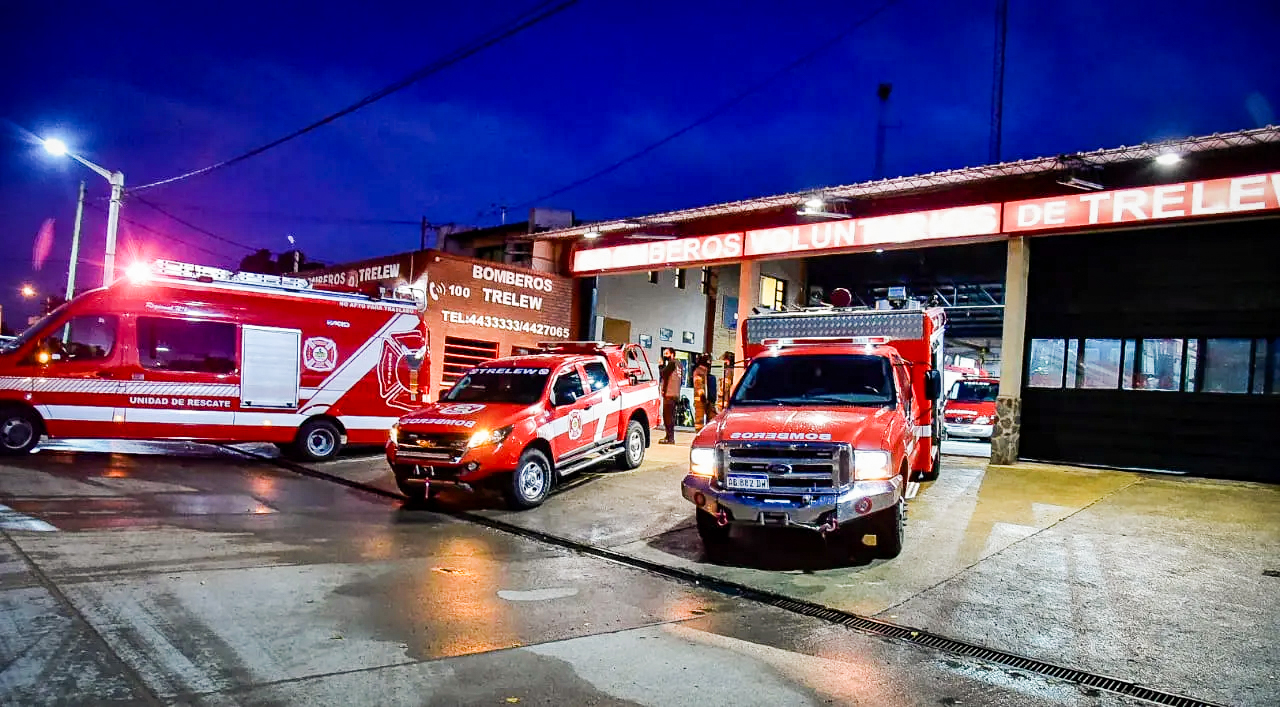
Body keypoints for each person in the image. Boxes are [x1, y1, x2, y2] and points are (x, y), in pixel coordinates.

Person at [659, 348, 681, 444]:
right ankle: (669, 436)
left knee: (668, 417)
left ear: (672, 354)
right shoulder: (679, 364)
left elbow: (663, 373)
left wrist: (661, 365)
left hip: (670, 394)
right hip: (675, 393)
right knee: (670, 416)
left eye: (667, 353)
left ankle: (670, 438)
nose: (665, 355)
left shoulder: (672, 363)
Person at [691, 354, 711, 432]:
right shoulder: (699, 371)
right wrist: (702, 395)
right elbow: (698, 384)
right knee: (699, 418)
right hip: (700, 399)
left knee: (711, 416)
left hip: (705, 398)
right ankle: (699, 433)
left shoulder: (704, 371)